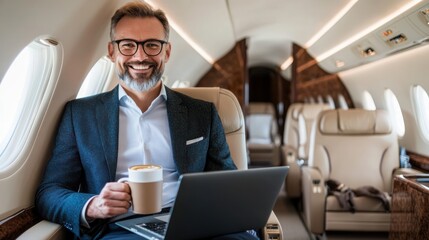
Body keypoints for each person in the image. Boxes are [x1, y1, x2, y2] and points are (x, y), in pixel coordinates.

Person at [35, 2, 259, 239]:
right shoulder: (80, 115)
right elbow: (49, 193)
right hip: (119, 229)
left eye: (152, 45)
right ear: (112, 52)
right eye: (128, 45)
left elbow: (228, 183)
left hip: (196, 226)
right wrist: (94, 205)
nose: (140, 56)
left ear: (167, 52)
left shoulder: (202, 113)